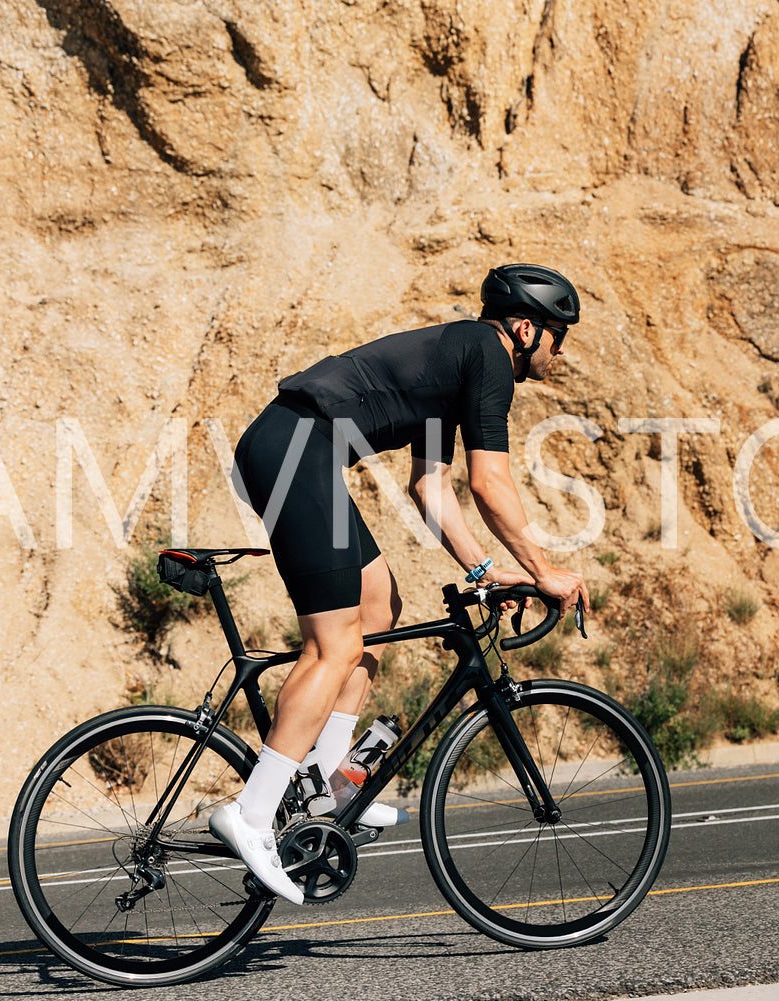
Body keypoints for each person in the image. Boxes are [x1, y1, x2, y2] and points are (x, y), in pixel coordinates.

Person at [211, 263, 590, 904]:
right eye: (559, 336)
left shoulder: (459, 366)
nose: (561, 352)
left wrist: (481, 569)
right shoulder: (489, 358)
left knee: (379, 601)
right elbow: (490, 485)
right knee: (333, 648)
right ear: (526, 328)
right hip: (297, 451)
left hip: (298, 450)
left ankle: (328, 784)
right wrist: (544, 571)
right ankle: (250, 814)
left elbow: (432, 487)